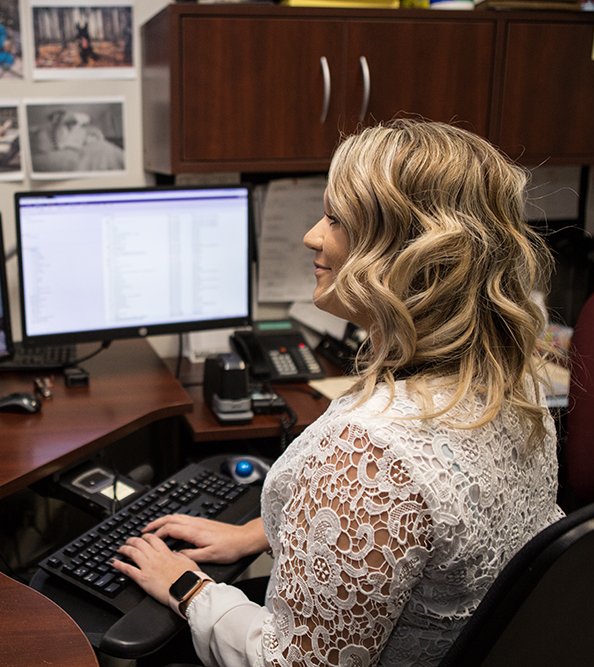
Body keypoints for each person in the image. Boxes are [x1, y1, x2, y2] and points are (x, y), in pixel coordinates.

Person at [111, 119, 565, 666]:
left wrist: (188, 588)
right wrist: (262, 532)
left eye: (336, 219)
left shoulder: (369, 458)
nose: (311, 236)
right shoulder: (513, 384)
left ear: (406, 252)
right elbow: (429, 535)